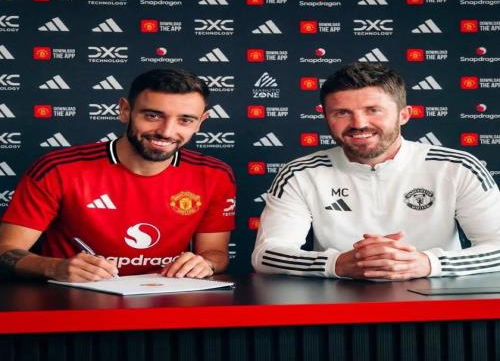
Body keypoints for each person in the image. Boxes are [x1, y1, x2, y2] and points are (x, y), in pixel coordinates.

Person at [252, 62, 500, 280]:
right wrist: (337, 264)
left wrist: (428, 263)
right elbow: (267, 254)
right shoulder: (300, 173)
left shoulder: (457, 167)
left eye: (373, 110)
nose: (359, 124)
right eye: (342, 113)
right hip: (336, 305)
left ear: (404, 115)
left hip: (440, 304)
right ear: (326, 118)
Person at [0, 69, 236, 282]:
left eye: (185, 120)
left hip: (167, 301)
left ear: (200, 122)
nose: (166, 131)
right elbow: (6, 250)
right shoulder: (57, 169)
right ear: (125, 110)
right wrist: (55, 267)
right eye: (153, 116)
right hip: (72, 301)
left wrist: (206, 263)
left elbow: (215, 253)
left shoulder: (215, 175)